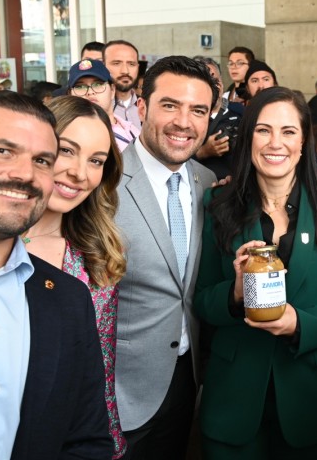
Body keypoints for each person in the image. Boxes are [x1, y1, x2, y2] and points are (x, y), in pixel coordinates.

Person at [0, 91, 112, 459]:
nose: (24, 174)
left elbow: (86, 438)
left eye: (42, 160)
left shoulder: (68, 298)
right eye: (2, 151)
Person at [195, 86, 317, 459]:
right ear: (248, 137)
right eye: (263, 130)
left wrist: (299, 324)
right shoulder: (217, 204)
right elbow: (201, 300)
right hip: (234, 400)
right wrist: (235, 292)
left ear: (304, 141)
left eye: (288, 131)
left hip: (311, 395)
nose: (276, 143)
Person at [114, 55, 218, 460]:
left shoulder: (207, 183)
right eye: (170, 105)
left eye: (198, 110)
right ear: (142, 107)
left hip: (186, 381)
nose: (183, 122)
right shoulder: (104, 183)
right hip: (119, 391)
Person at [23, 95, 127, 458]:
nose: (80, 173)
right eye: (67, 151)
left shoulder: (96, 254)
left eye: (96, 161)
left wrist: (109, 446)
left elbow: (99, 371)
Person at [67, 59, 140, 151]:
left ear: (112, 90)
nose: (90, 92)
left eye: (98, 84)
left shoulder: (131, 129)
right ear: (70, 94)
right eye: (80, 87)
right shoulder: (65, 134)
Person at [194, 56, 240, 181]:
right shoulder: (185, 118)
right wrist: (203, 152)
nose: (213, 86)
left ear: (222, 83)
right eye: (206, 81)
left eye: (216, 80)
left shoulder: (241, 112)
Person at [104, 40, 142, 129]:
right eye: (116, 63)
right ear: (103, 66)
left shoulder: (148, 106)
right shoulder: (96, 109)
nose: (125, 71)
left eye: (131, 64)